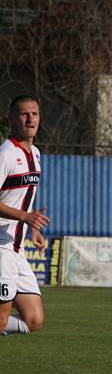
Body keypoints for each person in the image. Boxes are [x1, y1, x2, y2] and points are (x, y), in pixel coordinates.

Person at [0, 95, 49, 337]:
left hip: (16, 247)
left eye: (35, 114)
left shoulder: (36, 153)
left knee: (33, 319)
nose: (30, 119)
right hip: (1, 246)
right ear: (12, 119)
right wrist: (24, 217)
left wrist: (34, 227)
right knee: (1, 321)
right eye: (24, 114)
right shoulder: (6, 153)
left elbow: (21, 200)